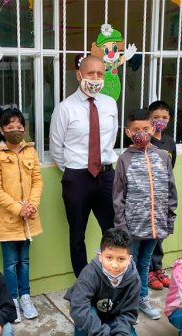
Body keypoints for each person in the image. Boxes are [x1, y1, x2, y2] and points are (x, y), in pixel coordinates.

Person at [49, 55, 119, 277]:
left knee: (113, 230)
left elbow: (112, 138)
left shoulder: (110, 104)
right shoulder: (65, 108)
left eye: (100, 74)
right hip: (77, 178)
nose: (96, 78)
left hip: (107, 176)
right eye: (91, 73)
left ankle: (110, 275)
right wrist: (73, 170)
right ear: (79, 75)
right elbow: (56, 147)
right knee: (77, 234)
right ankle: (82, 282)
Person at [113, 109, 177, 320]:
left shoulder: (162, 157)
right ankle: (126, 303)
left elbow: (171, 189)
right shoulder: (124, 159)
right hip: (132, 227)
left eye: (145, 129)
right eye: (136, 130)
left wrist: (169, 219)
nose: (141, 133)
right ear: (128, 132)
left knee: (144, 263)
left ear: (152, 128)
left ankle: (142, 298)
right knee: (128, 265)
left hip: (156, 225)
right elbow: (118, 195)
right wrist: (121, 226)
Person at [0, 108, 43, 323]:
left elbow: (37, 180)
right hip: (8, 219)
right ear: (2, 130)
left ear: (24, 129)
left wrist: (32, 205)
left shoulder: (30, 151)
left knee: (24, 260)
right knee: (10, 263)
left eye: (19, 127)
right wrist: (18, 208)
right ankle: (12, 301)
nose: (15, 131)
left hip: (29, 218)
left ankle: (25, 296)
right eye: (10, 127)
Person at [64, 228, 140, 336]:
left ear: (129, 259)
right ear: (100, 256)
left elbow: (129, 313)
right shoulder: (89, 273)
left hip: (116, 317)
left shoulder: (134, 279)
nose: (114, 265)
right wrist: (101, 334)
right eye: (109, 257)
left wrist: (120, 334)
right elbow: (79, 308)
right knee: (84, 324)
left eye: (121, 259)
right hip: (91, 316)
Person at [146, 100, 177, 290]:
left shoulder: (170, 142)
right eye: (156, 117)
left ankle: (157, 267)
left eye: (164, 117)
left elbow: (171, 168)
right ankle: (148, 270)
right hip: (148, 195)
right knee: (149, 234)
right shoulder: (146, 141)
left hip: (164, 195)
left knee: (161, 234)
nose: (160, 121)